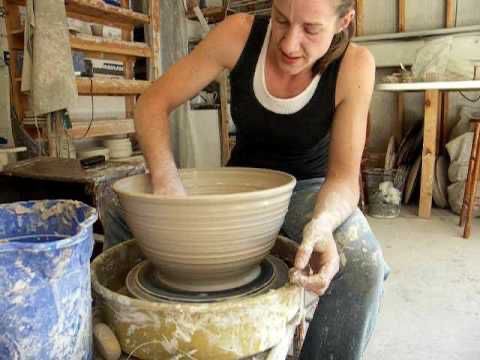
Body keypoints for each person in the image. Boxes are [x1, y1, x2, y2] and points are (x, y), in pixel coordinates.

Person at [104, 0, 390, 358]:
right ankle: (139, 332)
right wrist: (165, 181)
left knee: (362, 261)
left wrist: (324, 223)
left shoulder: (354, 64)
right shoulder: (239, 34)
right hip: (245, 180)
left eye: (311, 30)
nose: (288, 43)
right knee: (120, 204)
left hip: (309, 189)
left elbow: (344, 180)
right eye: (281, 20)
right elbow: (151, 103)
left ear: (343, 21)